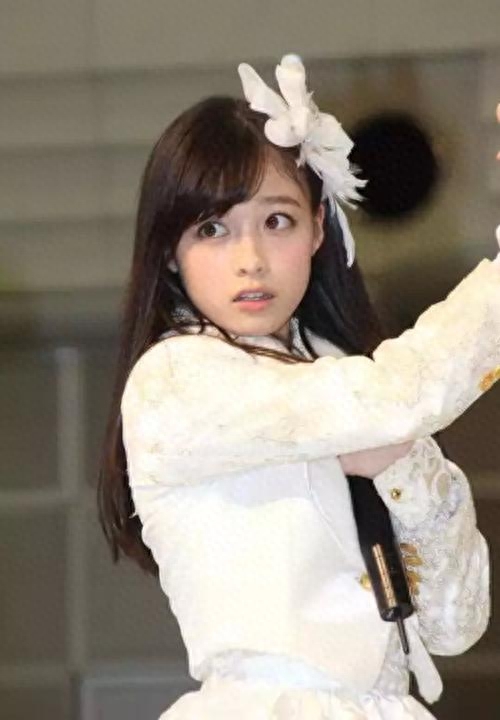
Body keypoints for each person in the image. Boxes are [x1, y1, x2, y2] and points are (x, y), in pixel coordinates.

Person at [98, 55, 500, 719]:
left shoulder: (343, 382)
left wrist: (402, 462)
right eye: (212, 229)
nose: (250, 259)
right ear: (170, 250)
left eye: (276, 221)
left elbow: (457, 622)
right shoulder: (176, 381)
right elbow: (400, 396)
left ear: (317, 227)